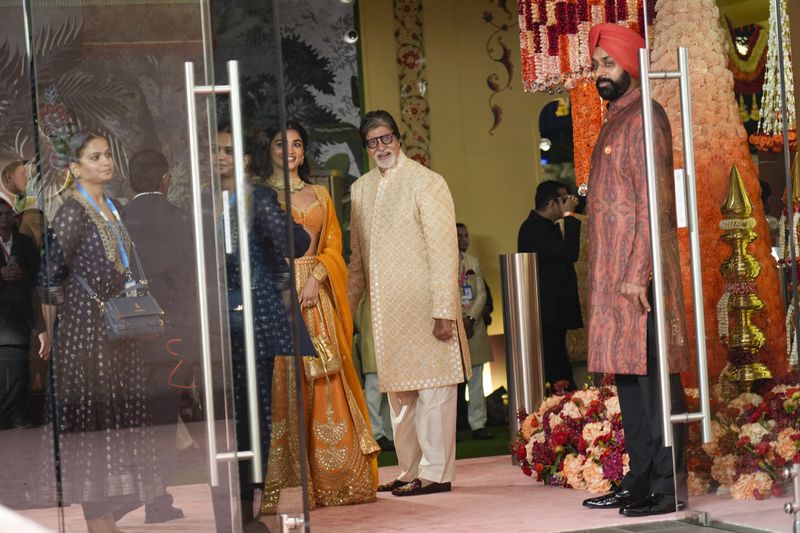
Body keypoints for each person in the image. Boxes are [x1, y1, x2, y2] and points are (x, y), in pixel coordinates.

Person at [579, 24, 688, 517]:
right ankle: (640, 477)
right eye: (596, 65)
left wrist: (636, 272)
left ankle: (667, 486)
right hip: (613, 285)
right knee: (629, 383)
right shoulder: (615, 119)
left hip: (637, 285)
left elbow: (654, 204)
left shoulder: (647, 117)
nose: (599, 73)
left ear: (630, 64)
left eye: (607, 63)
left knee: (655, 384)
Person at [38, 131, 164, 532]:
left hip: (120, 335)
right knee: (94, 431)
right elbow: (49, 277)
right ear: (74, 168)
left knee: (119, 428)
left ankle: (108, 518)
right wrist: (49, 335)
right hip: (86, 336)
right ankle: (99, 523)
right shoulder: (72, 212)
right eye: (95, 157)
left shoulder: (114, 205)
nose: (106, 162)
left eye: (108, 154)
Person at [348, 110, 471, 497]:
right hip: (387, 315)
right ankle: (409, 470)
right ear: (366, 148)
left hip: (426, 309)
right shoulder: (360, 190)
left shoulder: (427, 182)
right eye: (373, 142)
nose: (381, 147)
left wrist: (444, 311)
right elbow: (357, 260)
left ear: (398, 139)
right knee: (401, 396)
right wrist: (346, 311)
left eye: (386, 139)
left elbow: (443, 250)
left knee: (434, 390)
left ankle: (436, 473)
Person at [261, 121, 379, 512]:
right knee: (287, 383)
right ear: (270, 151)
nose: (290, 151)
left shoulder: (321, 194)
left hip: (316, 295)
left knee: (328, 380)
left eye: (296, 144)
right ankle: (294, 484)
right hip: (278, 298)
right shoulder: (261, 196)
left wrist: (316, 276)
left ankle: (339, 481)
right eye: (282, 145)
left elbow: (333, 245)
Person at [211, 125, 311, 531]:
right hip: (216, 323)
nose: (221, 157)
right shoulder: (205, 202)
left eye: (230, 150)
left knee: (255, 414)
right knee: (222, 421)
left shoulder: (257, 197)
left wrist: (270, 218)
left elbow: (298, 244)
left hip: (254, 318)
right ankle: (232, 507)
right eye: (215, 150)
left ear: (247, 158)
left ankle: (252, 508)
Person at [121, 149, 194, 524]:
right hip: (171, 339)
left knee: (131, 420)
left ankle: (126, 494)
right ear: (166, 178)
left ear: (131, 181)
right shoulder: (181, 219)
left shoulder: (119, 219)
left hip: (125, 340)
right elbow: (192, 283)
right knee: (164, 421)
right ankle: (155, 500)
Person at [517, 180, 581, 391]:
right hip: (546, 312)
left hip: (554, 311)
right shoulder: (534, 229)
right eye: (564, 200)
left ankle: (568, 411)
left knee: (560, 363)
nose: (568, 204)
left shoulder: (542, 226)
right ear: (552, 203)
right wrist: (569, 216)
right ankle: (561, 414)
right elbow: (569, 253)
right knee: (557, 370)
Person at [0, 197, 48, 429]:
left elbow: (37, 285)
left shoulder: (26, 245)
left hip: (20, 325)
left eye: (7, 214)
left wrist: (41, 328)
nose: (3, 219)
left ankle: (19, 419)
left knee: (20, 376)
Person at [456, 223, 494, 440]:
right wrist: (457, 320)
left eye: (466, 235)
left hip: (474, 327)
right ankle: (452, 427)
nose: (464, 239)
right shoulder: (441, 263)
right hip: (450, 328)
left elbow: (481, 294)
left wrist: (470, 318)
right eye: (459, 235)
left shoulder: (472, 262)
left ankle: (478, 425)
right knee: (450, 383)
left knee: (477, 379)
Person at [354, 296, 394, 451]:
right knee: (373, 389)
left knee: (389, 391)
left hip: (389, 338)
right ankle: (376, 433)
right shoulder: (365, 296)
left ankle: (388, 433)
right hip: (371, 333)